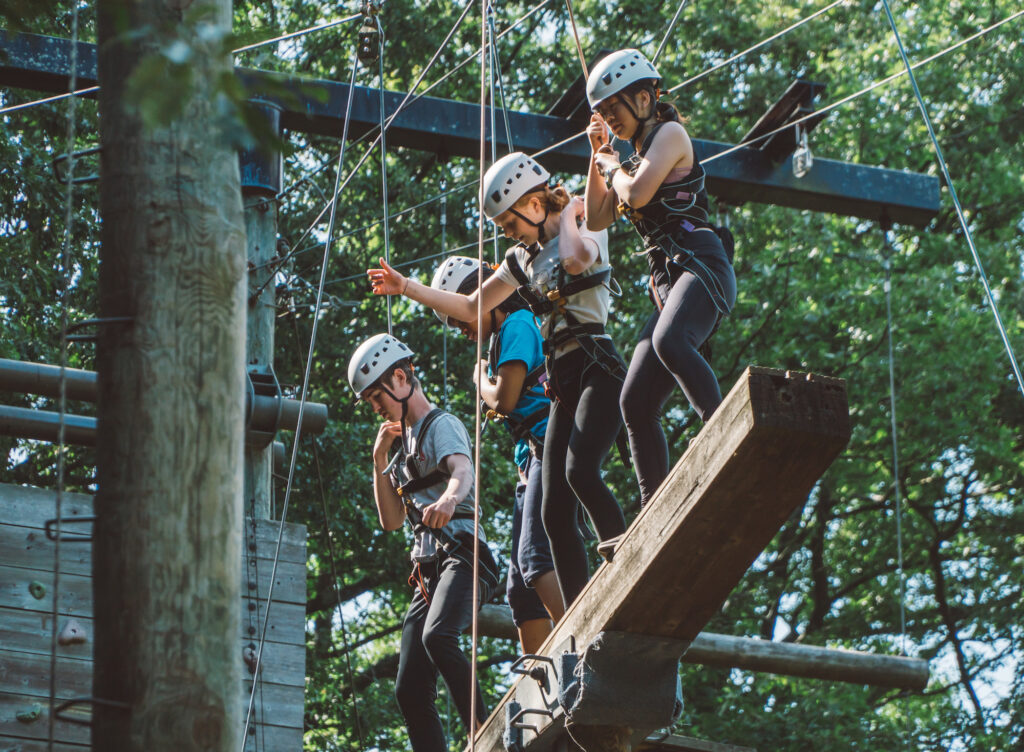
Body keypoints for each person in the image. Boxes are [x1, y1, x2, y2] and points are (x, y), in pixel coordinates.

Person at [367, 152, 627, 610]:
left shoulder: (581, 226)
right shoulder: (517, 259)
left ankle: (623, 553)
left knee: (578, 473)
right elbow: (469, 306)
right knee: (552, 513)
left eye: (510, 223)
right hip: (564, 381)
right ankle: (581, 616)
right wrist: (405, 286)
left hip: (593, 363)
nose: (507, 234)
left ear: (532, 205)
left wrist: (567, 209)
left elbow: (573, 259)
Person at [584, 49, 738, 507]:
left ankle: (719, 430)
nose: (612, 120)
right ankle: (654, 505)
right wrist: (598, 156)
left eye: (615, 109)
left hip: (702, 266)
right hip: (671, 284)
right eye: (605, 114)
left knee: (671, 343)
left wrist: (614, 167)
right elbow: (595, 219)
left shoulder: (670, 134)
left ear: (647, 97)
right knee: (634, 402)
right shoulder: (628, 161)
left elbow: (635, 192)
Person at [348, 333, 498, 751]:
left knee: (438, 638)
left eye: (377, 397)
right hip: (429, 573)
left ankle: (482, 731)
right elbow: (391, 521)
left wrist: (450, 498)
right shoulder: (400, 450)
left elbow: (462, 470)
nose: (375, 408)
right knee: (409, 689)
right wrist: (379, 462)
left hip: (466, 556)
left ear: (400, 377)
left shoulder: (441, 425)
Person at [430, 255, 562, 654]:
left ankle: (588, 634)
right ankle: (539, 681)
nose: (462, 332)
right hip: (531, 459)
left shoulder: (518, 323)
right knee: (521, 588)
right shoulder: (503, 333)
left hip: (550, 447)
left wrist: (480, 379)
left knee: (536, 560)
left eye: (461, 320)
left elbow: (503, 399)